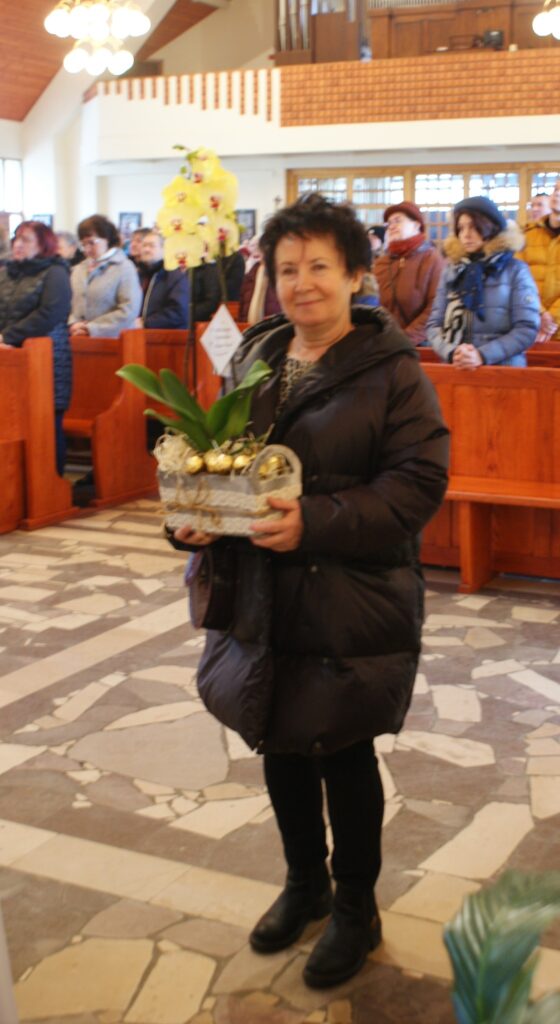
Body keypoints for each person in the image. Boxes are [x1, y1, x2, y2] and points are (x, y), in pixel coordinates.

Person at [172, 194, 449, 989]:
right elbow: (216, 456)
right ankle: (305, 884)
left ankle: (357, 908)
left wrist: (316, 521)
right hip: (258, 588)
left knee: (342, 750)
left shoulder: (390, 367)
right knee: (279, 739)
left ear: (357, 275)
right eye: (287, 268)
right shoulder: (253, 356)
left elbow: (419, 482)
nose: (302, 283)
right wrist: (195, 517)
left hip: (348, 592)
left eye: (320, 266)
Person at [426, 195, 540, 367]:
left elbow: (526, 328)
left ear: (490, 227)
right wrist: (451, 352)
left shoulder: (515, 270)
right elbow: (434, 324)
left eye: (474, 227)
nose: (466, 235)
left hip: (503, 369)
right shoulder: (452, 270)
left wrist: (482, 355)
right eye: (461, 228)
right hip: (456, 367)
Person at [0, 220, 72, 473]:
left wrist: (7, 336)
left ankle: (52, 482)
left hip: (47, 359)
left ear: (43, 245)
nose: (18, 244)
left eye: (26, 240)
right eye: (16, 239)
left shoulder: (55, 272)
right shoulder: (7, 273)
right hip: (9, 359)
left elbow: (50, 313)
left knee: (46, 424)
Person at [373, 201, 443, 345]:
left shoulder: (432, 259)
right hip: (384, 343)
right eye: (389, 223)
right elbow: (372, 304)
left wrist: (405, 339)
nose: (391, 226)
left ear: (416, 225)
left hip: (420, 345)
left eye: (397, 221)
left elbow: (436, 307)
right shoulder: (381, 263)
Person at [69, 215, 142, 338]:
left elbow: (129, 309)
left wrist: (91, 328)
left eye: (91, 243)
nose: (87, 249)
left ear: (107, 239)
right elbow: (70, 303)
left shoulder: (124, 267)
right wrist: (73, 323)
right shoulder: (79, 269)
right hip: (79, 338)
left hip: (114, 339)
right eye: (83, 244)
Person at [520, 179, 560, 341]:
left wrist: (553, 317)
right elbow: (518, 278)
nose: (557, 194)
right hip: (530, 323)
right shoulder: (528, 235)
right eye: (555, 189)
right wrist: (540, 312)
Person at [136, 231, 189, 329]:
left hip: (165, 334)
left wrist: (146, 323)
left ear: (163, 249)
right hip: (136, 332)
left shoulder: (175, 276)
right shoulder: (138, 275)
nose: (146, 249)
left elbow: (178, 311)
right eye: (144, 245)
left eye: (151, 246)